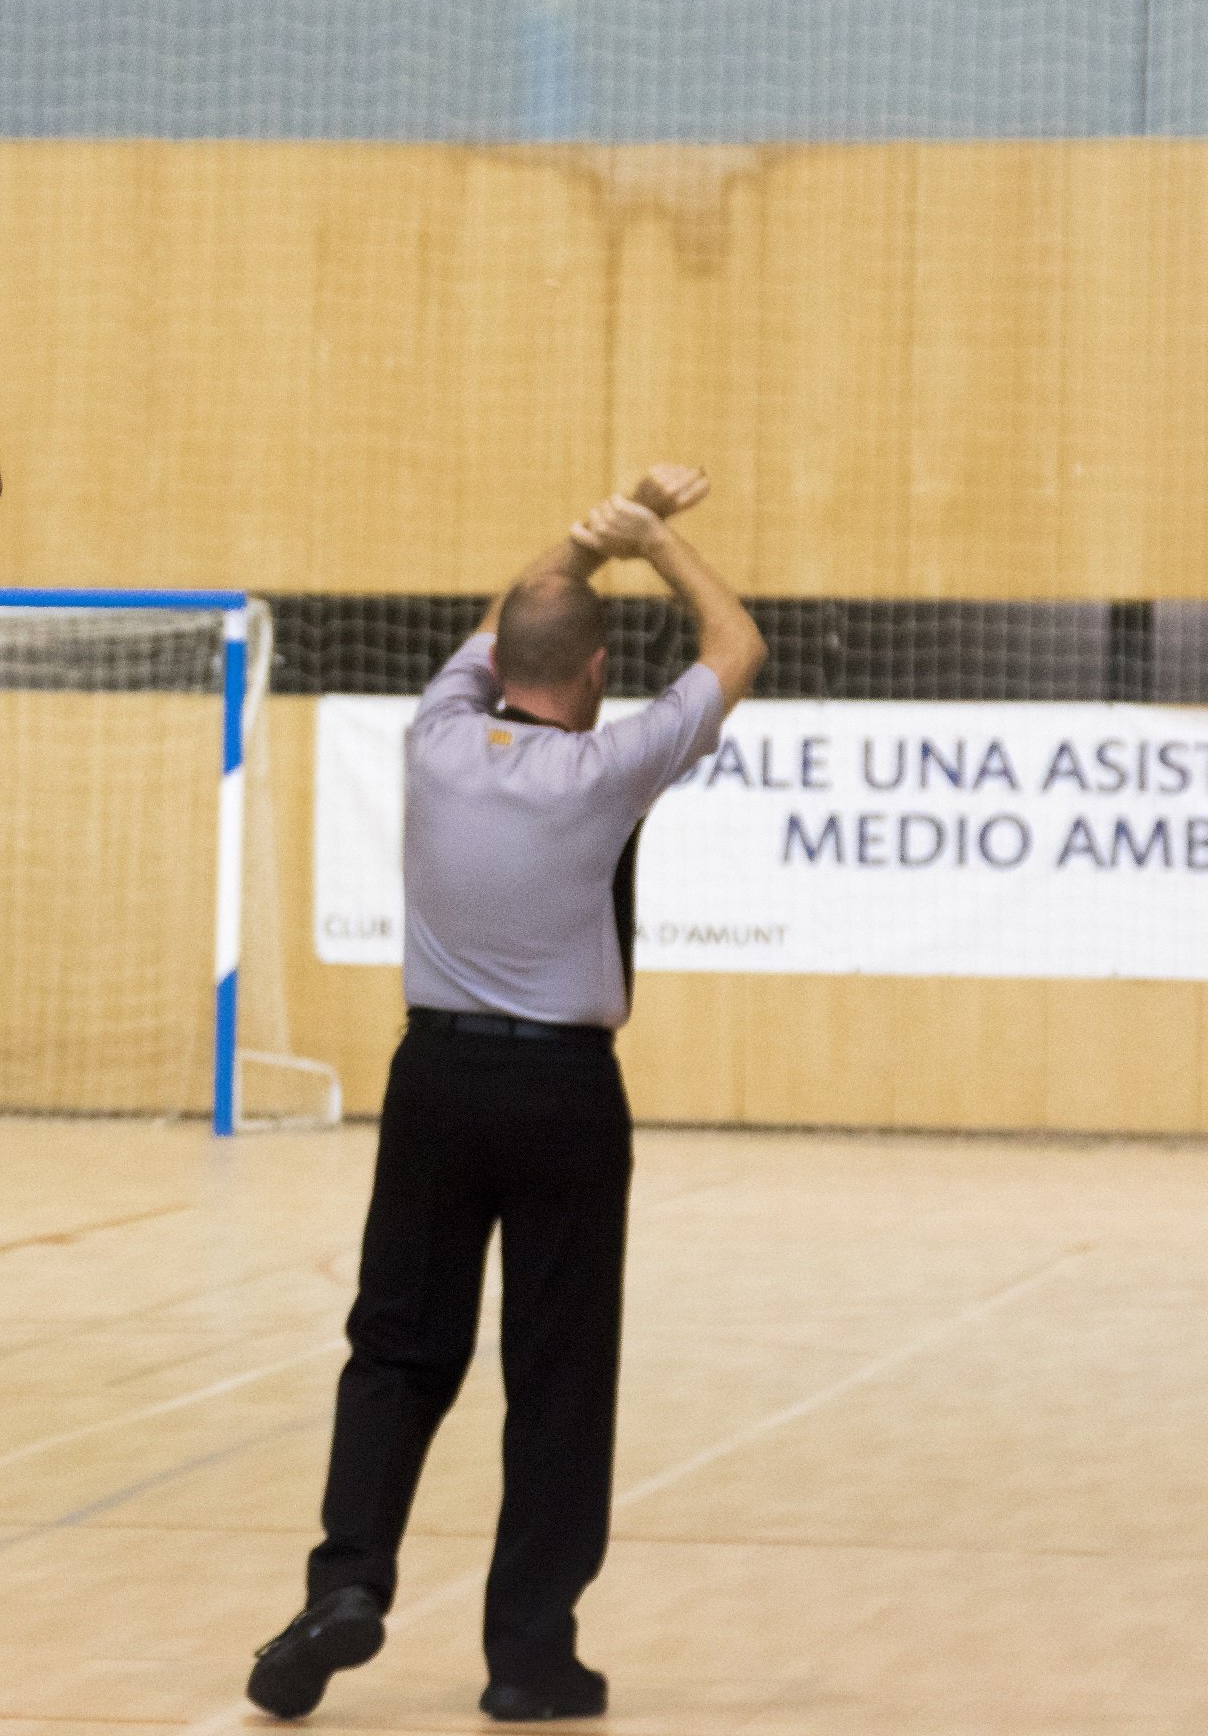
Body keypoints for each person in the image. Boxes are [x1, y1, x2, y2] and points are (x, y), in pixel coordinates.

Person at [246, 468, 765, 1724]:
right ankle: (529, 1656)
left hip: (434, 1079)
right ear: (593, 675)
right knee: (558, 1376)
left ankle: (347, 1582)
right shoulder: (604, 769)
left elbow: (511, 610)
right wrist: (656, 542)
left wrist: (588, 540)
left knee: (394, 1350)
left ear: (499, 665)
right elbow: (738, 643)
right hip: (562, 1097)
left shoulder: (433, 739)